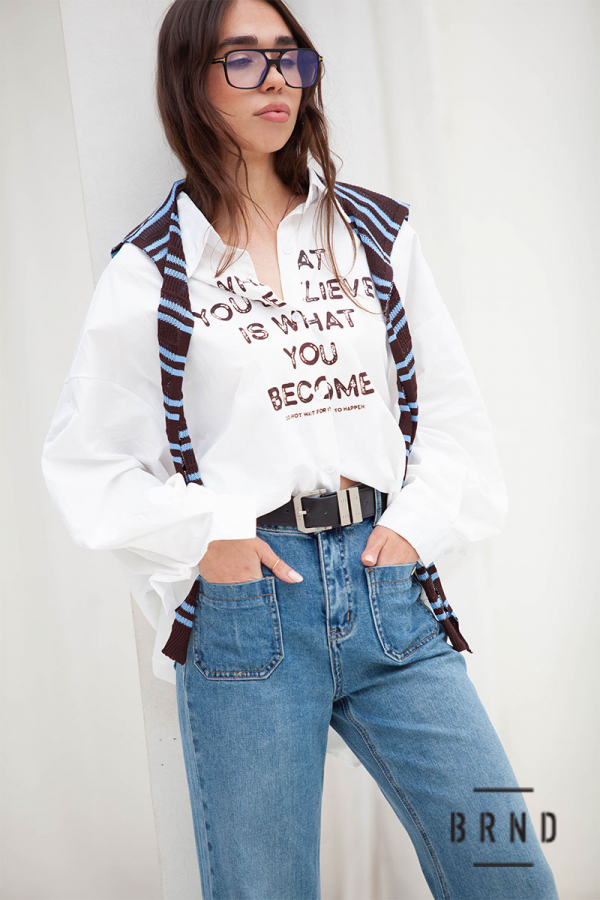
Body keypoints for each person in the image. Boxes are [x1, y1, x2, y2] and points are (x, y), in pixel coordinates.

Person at [41, 0, 560, 897]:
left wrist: (415, 526)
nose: (276, 78)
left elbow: (451, 410)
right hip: (252, 609)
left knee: (508, 869)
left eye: (289, 57)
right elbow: (87, 460)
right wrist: (213, 536)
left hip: (391, 591)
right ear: (193, 82)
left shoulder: (377, 234)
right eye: (243, 59)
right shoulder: (153, 268)